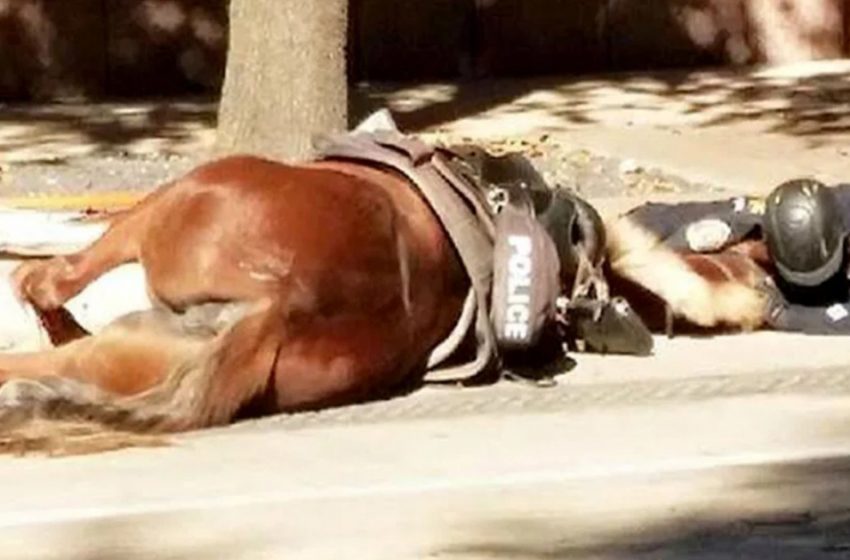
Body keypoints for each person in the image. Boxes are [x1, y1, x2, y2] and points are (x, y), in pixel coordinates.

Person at [621, 178, 850, 334]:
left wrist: (779, 313)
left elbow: (839, 320)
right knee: (708, 229)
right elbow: (690, 212)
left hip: (830, 287)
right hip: (763, 230)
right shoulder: (784, 207)